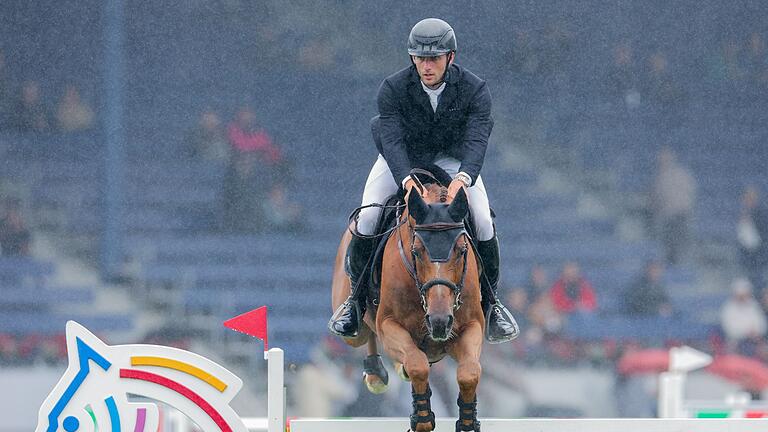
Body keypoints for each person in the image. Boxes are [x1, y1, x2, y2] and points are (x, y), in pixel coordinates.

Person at [328, 18, 518, 343]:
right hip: (401, 159)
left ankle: (491, 305)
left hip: (454, 159)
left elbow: (476, 140)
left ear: (451, 58)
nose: (426, 66)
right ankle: (355, 303)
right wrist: (404, 177)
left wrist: (464, 177)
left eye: (434, 58)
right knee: (369, 217)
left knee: (484, 222)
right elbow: (391, 139)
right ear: (412, 58)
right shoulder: (393, 88)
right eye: (420, 58)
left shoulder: (475, 89)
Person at [650, 147, 696, 265]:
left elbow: (657, 197)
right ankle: (674, 263)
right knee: (673, 242)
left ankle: (678, 264)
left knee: (677, 241)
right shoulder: (664, 176)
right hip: (673, 214)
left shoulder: (674, 175)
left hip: (677, 214)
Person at [719, 278, 767, 354]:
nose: (743, 297)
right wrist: (746, 332)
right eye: (741, 295)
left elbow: (762, 324)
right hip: (736, 342)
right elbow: (729, 329)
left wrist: (756, 331)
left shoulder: (753, 305)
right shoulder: (728, 308)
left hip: (755, 340)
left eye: (745, 294)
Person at [737, 186, 768, 292]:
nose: (748, 200)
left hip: (758, 254)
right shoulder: (742, 212)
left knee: (758, 279)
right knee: (746, 280)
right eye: (747, 197)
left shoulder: (761, 212)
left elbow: (763, 233)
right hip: (746, 254)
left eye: (751, 197)